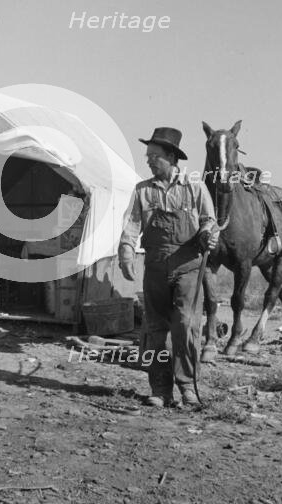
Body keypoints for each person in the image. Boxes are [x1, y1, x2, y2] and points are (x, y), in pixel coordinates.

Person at [118, 127, 218, 407]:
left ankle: (187, 385)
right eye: (148, 156)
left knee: (185, 324)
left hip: (188, 265)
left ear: (172, 157)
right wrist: (126, 252)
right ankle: (160, 389)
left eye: (155, 156)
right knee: (156, 327)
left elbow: (209, 220)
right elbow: (131, 225)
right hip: (156, 267)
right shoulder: (142, 190)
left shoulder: (194, 187)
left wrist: (208, 234)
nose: (149, 161)